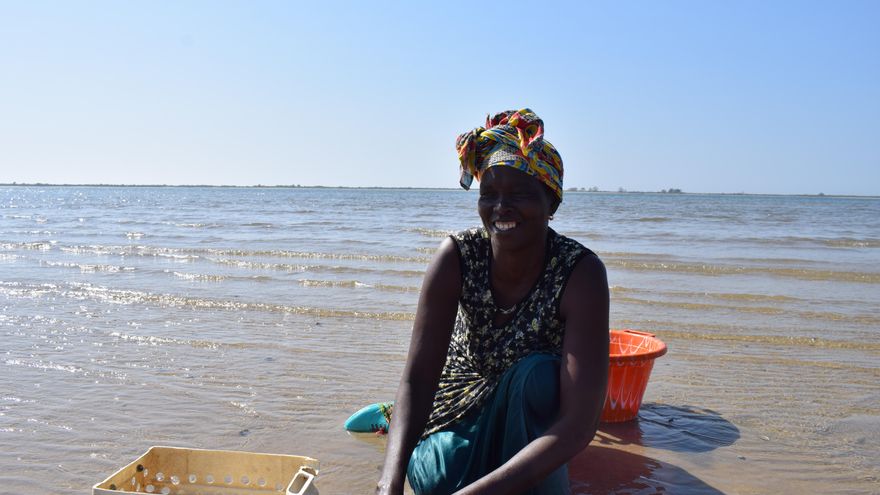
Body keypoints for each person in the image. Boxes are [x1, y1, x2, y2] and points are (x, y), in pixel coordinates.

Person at [376, 109, 609, 495]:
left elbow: (579, 424)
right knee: (436, 480)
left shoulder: (580, 273)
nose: (501, 207)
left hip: (529, 422)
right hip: (458, 411)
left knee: (537, 376)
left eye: (519, 194)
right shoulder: (457, 256)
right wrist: (388, 482)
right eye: (489, 195)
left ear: (551, 202)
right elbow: (417, 380)